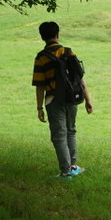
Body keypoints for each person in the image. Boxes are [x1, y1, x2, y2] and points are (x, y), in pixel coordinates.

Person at [33, 21, 94, 178]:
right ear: (57, 35)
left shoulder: (41, 58)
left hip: (53, 100)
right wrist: (88, 100)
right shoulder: (68, 52)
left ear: (42, 37)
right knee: (71, 131)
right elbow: (79, 78)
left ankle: (65, 172)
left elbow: (39, 85)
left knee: (59, 135)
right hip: (72, 98)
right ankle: (73, 166)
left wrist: (39, 108)